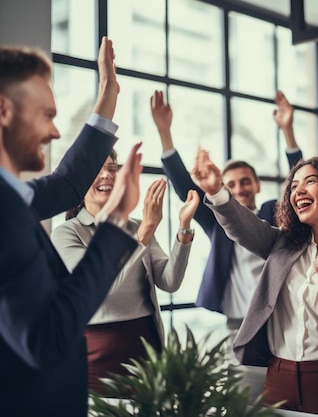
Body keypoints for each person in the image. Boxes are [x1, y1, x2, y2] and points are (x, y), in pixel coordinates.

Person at [0, 37, 143, 416]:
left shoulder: (13, 197)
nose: (55, 132)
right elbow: (46, 337)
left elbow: (66, 183)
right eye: (46, 116)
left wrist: (107, 95)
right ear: (3, 111)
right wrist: (114, 222)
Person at [192, 149, 318, 417]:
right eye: (294, 186)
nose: (298, 190)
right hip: (278, 377)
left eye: (310, 181)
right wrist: (216, 190)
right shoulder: (281, 244)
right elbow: (241, 226)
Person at [51, 149, 199, 392]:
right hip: (98, 355)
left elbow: (169, 281)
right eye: (98, 169)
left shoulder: (139, 227)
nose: (107, 174)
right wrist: (144, 234)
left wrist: (184, 229)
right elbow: (101, 289)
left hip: (147, 346)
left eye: (112, 168)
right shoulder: (67, 233)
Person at [151, 90, 302, 322]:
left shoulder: (272, 212)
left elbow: (298, 186)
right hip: (238, 318)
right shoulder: (217, 220)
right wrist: (164, 132)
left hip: (278, 316)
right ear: (224, 189)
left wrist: (288, 131)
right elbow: (184, 188)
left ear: (257, 185)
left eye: (245, 182)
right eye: (231, 184)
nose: (240, 188)